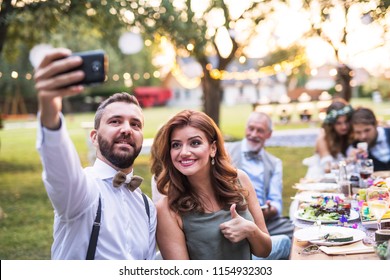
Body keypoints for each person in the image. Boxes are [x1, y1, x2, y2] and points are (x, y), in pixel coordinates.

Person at [34, 48, 156, 260]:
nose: (127, 129)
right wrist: (50, 113)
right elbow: (60, 168)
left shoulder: (147, 207)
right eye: (115, 121)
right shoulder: (82, 189)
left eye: (135, 124)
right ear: (94, 137)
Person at [152, 110, 272, 260]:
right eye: (176, 145)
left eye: (194, 143)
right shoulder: (166, 210)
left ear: (213, 148)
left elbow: (264, 250)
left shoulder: (240, 179)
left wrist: (251, 230)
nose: (184, 152)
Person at [225, 111, 292, 260]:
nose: (254, 134)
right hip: (230, 215)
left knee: (298, 234)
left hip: (266, 219)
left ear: (269, 134)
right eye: (251, 128)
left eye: (260, 130)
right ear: (245, 129)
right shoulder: (225, 150)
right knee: (284, 242)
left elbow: (276, 201)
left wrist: (271, 209)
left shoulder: (274, 163)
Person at [303, 98, 354, 179]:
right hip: (320, 178)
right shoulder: (323, 136)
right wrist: (349, 160)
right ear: (331, 124)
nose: (344, 126)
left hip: (341, 178)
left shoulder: (350, 134)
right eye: (338, 123)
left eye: (346, 121)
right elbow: (328, 168)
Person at [349, 107, 390, 171]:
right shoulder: (355, 147)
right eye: (358, 132)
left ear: (376, 124)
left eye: (367, 130)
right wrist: (354, 161)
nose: (363, 136)